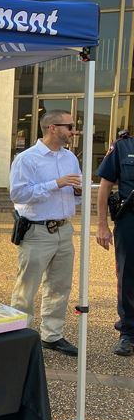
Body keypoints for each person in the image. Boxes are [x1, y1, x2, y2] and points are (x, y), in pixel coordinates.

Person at [9, 109, 81, 357]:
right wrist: (56, 184)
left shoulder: (70, 158)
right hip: (37, 231)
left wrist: (78, 193)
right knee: (26, 287)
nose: (73, 130)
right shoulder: (27, 159)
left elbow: (73, 195)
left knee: (59, 286)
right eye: (69, 126)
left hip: (64, 229)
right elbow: (18, 194)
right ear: (52, 128)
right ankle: (17, 336)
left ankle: (52, 335)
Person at [96, 129, 134, 356]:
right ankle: (128, 332)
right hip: (130, 221)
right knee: (127, 276)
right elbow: (105, 186)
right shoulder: (123, 147)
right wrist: (102, 225)